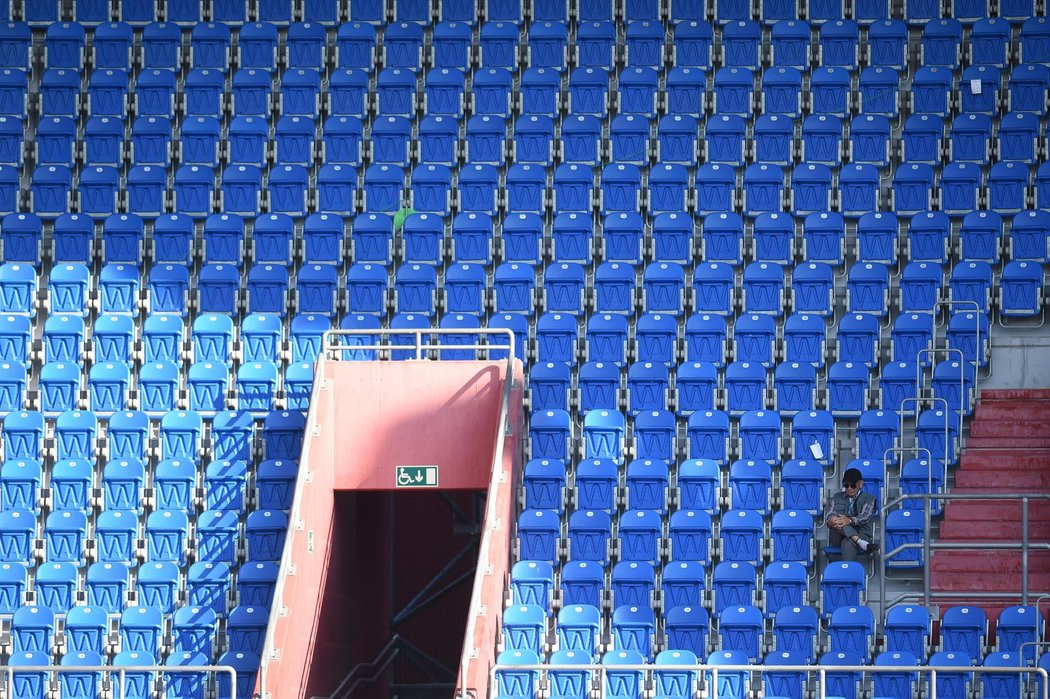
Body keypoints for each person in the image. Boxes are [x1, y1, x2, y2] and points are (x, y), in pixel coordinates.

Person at [825, 467, 879, 560]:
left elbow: (865, 516)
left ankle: (848, 573)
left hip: (861, 533)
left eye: (853, 485)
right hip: (838, 535)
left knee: (848, 542)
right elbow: (829, 516)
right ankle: (862, 543)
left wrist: (849, 520)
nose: (849, 488)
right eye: (846, 485)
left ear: (861, 484)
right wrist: (832, 522)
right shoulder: (836, 497)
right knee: (839, 521)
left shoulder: (870, 499)